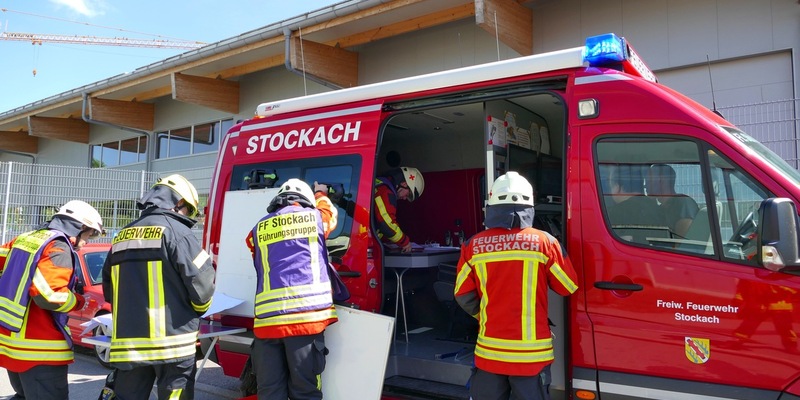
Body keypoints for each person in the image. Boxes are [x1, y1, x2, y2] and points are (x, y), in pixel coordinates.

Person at [454, 172, 578, 400]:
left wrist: (485, 315)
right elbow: (567, 286)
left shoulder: (472, 245)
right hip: (531, 357)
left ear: (490, 205)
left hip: (490, 355)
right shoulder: (546, 243)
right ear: (529, 205)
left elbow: (462, 294)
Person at [102, 174, 215, 400]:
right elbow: (202, 286)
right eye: (188, 210)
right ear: (178, 202)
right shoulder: (178, 233)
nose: (186, 216)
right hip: (173, 345)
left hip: (130, 346)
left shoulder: (121, 237)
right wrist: (197, 311)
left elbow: (110, 289)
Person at [0, 200, 104, 400]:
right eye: (90, 234)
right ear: (80, 227)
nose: (88, 241)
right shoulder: (58, 246)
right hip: (41, 350)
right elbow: (50, 297)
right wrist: (79, 302)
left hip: (12, 342)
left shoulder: (26, 238)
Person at [245, 178, 340, 400]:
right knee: (305, 391)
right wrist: (320, 194)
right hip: (305, 323)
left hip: (268, 324)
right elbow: (330, 215)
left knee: (269, 392)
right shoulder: (315, 218)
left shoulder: (257, 229)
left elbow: (256, 254)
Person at [606, 165, 667, 243]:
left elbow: (624, 245)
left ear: (618, 187)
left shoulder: (617, 212)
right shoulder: (658, 209)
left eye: (611, 186)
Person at [373, 166, 425, 252]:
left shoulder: (379, 184)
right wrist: (404, 242)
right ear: (404, 184)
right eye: (407, 194)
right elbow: (386, 224)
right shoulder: (385, 191)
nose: (404, 198)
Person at [646, 164, 700, 238]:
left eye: (649, 180)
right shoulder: (660, 209)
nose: (646, 185)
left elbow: (682, 243)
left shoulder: (683, 203)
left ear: (662, 181)